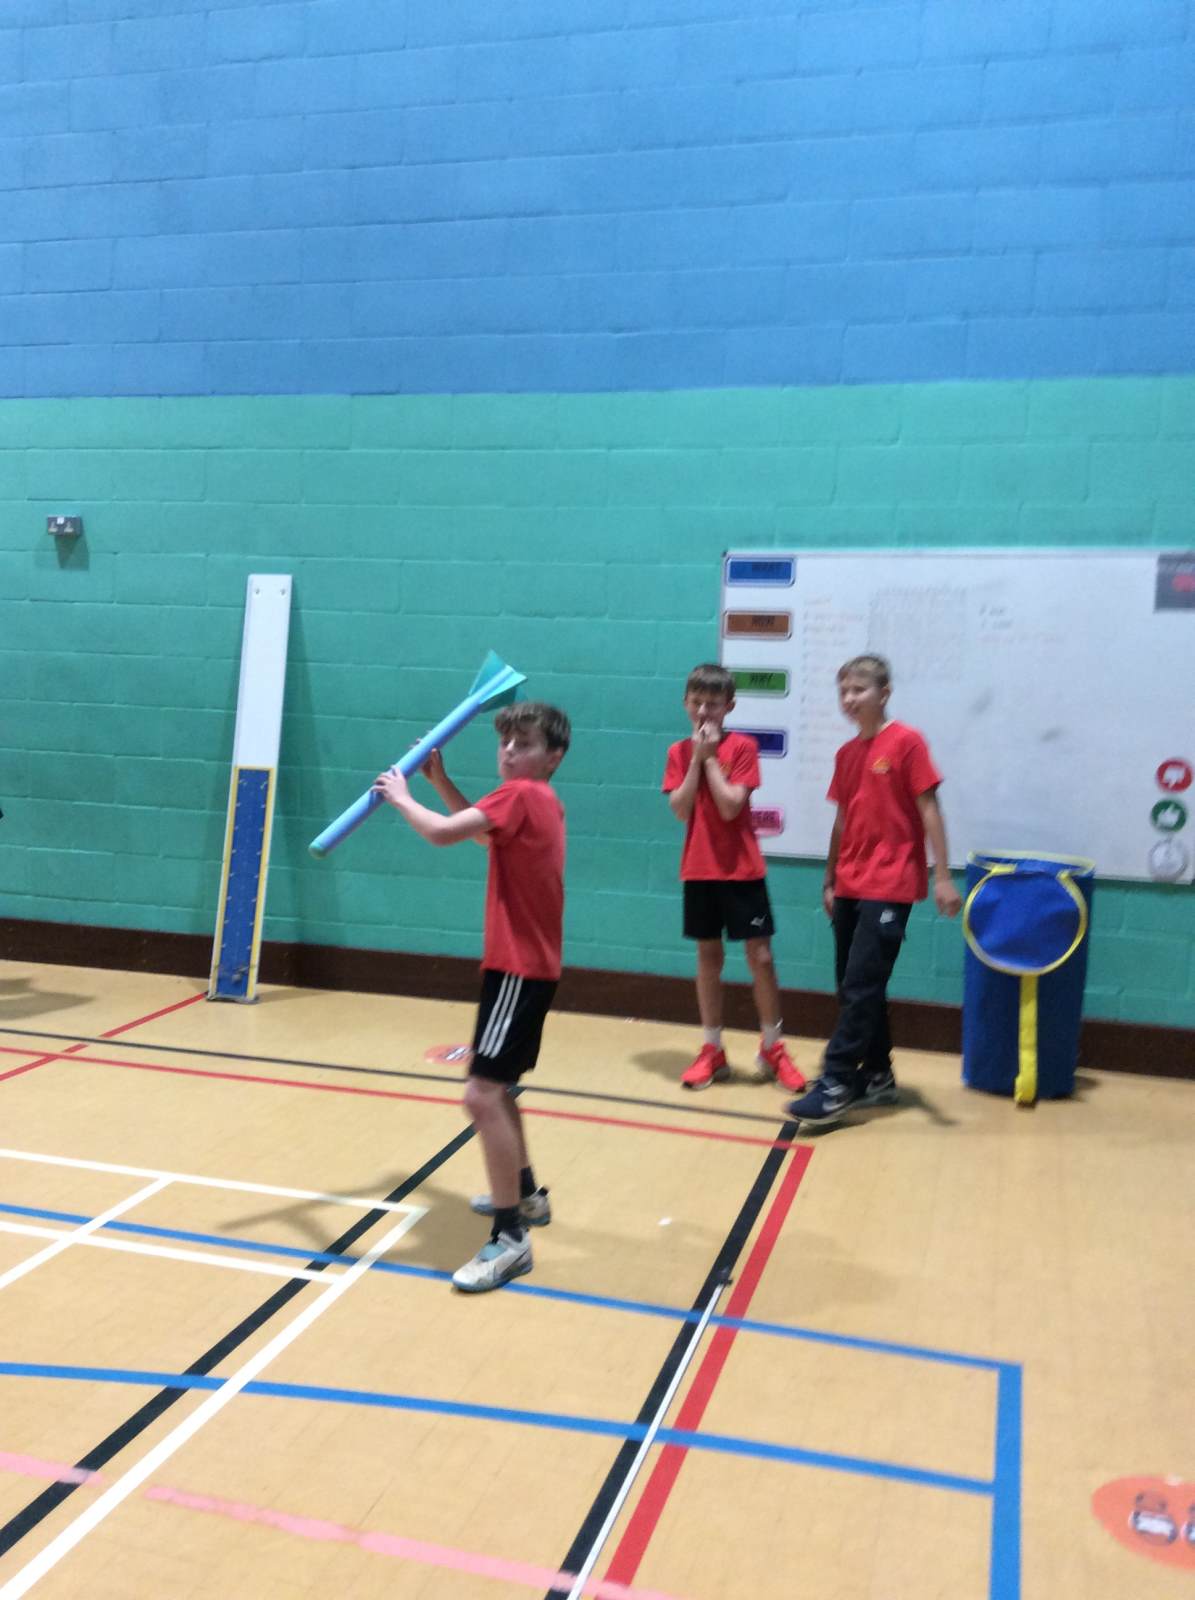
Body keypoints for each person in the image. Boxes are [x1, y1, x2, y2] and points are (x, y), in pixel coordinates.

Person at [373, 701, 569, 1292]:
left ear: (552, 756)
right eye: (506, 742)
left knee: (480, 1097)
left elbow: (440, 834)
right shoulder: (538, 802)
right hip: (526, 968)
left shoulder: (520, 797)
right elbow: (483, 835)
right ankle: (528, 1196)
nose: (511, 751)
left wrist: (401, 795)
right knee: (499, 1086)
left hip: (517, 968)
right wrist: (440, 781)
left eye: (526, 743)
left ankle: (511, 1239)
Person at [787, 654, 961, 1126]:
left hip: (892, 882)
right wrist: (829, 878)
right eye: (843, 691)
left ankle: (837, 1079)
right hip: (849, 882)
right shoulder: (846, 755)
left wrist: (942, 876)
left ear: (883, 694)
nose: (849, 699)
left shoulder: (906, 743)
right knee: (854, 984)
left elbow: (930, 810)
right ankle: (879, 1074)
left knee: (862, 982)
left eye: (858, 690)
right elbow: (842, 822)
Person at [662, 663, 805, 1093]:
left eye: (714, 703)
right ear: (686, 703)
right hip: (699, 869)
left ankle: (772, 1047)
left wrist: (708, 761)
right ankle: (712, 1049)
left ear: (730, 706)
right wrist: (696, 761)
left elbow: (729, 806)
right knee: (709, 958)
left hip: (742, 869)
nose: (705, 710)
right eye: (697, 702)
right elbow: (681, 809)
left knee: (760, 957)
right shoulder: (676, 752)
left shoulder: (742, 748)